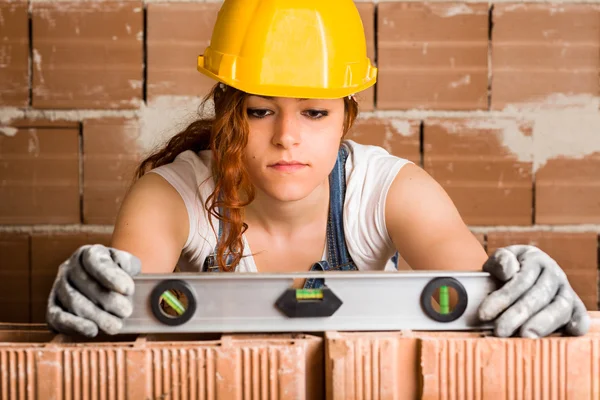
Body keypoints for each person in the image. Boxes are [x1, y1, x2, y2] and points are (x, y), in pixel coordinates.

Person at [46, 0, 589, 339]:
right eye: (260, 111)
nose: (287, 136)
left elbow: (483, 308)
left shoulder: (392, 192)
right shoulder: (171, 194)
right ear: (227, 112)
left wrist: (523, 289)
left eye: (314, 112)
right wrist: (98, 292)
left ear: (345, 118)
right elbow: (122, 307)